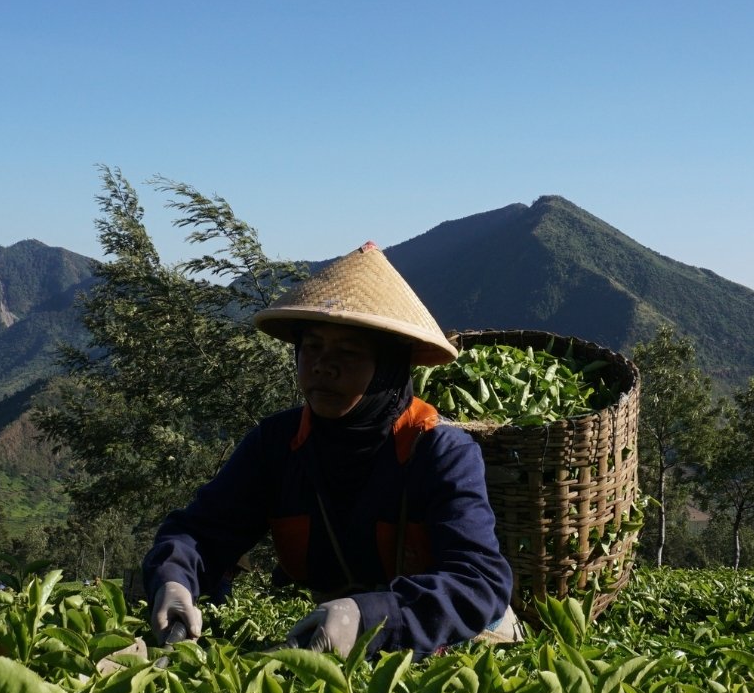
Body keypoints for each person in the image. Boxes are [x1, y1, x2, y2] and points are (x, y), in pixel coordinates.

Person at [142, 242, 513, 657]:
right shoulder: (277, 444)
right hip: (326, 637)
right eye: (312, 347)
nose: (322, 365)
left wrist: (368, 616)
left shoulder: (439, 451)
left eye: (349, 352)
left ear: (389, 367)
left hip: (434, 640)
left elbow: (479, 582)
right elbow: (201, 531)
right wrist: (174, 580)